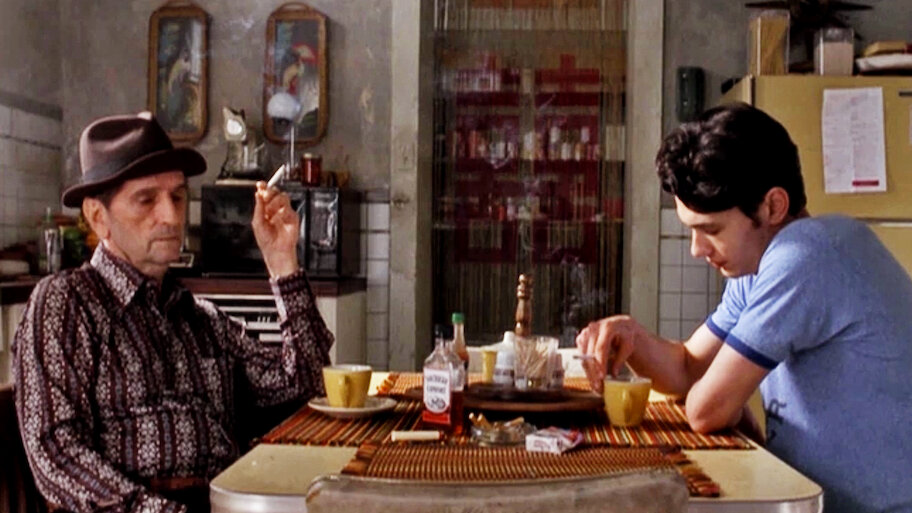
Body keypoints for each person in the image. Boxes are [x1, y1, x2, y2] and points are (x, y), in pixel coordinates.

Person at [577, 102, 912, 513]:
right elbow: (688, 368)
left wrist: (725, 407)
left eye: (711, 230)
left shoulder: (807, 254)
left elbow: (705, 410)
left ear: (772, 206)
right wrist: (631, 335)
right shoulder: (757, 268)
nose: (697, 250)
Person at [12, 112, 333, 513]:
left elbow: (309, 387)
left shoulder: (199, 319)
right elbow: (57, 454)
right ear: (98, 217)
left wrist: (282, 261)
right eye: (147, 199)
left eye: (177, 197)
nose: (171, 216)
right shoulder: (66, 304)